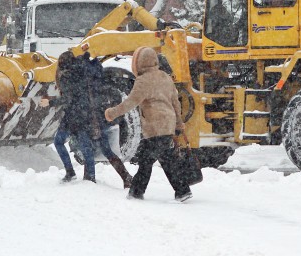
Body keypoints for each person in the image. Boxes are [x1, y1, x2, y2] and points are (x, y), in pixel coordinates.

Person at [104, 47, 191, 202]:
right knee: (161, 159)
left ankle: (138, 192)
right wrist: (179, 123)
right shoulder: (165, 76)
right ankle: (181, 191)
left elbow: (130, 102)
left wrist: (112, 113)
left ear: (139, 63)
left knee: (148, 161)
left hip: (154, 126)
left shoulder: (143, 81)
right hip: (167, 123)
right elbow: (175, 102)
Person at [40, 50, 133, 187]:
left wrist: (51, 102)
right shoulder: (88, 69)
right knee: (104, 149)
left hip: (78, 116)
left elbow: (69, 97)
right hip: (96, 113)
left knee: (70, 143)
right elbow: (82, 92)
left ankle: (79, 175)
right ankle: (125, 177)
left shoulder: (68, 75)